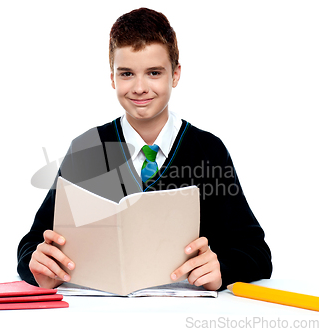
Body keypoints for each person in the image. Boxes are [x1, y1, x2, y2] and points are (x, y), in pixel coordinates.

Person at [17, 7, 272, 291]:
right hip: (97, 314)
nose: (139, 87)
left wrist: (223, 269)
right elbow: (31, 244)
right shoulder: (87, 150)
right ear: (112, 78)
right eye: (126, 73)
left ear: (175, 75)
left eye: (154, 73)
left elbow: (257, 252)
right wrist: (39, 266)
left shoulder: (208, 151)